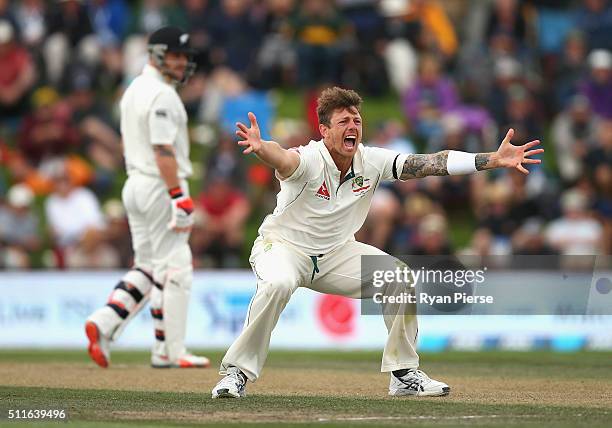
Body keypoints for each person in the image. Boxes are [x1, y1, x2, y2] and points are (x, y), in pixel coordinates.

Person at [211, 86, 543, 398]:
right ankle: (236, 373)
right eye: (343, 121)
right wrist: (261, 148)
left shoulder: (371, 161)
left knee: (398, 277)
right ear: (324, 131)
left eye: (356, 120)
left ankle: (403, 375)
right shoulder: (309, 159)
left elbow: (431, 164)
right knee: (279, 282)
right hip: (283, 248)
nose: (352, 125)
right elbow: (282, 158)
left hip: (336, 253)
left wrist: (490, 160)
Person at [85, 26, 209, 369]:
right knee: (177, 266)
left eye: (186, 56)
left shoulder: (133, 89)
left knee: (148, 266)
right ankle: (172, 349)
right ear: (157, 54)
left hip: (135, 182)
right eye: (176, 55)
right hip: (159, 184)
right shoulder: (163, 95)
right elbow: (162, 149)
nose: (183, 63)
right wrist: (177, 196)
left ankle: (105, 322)